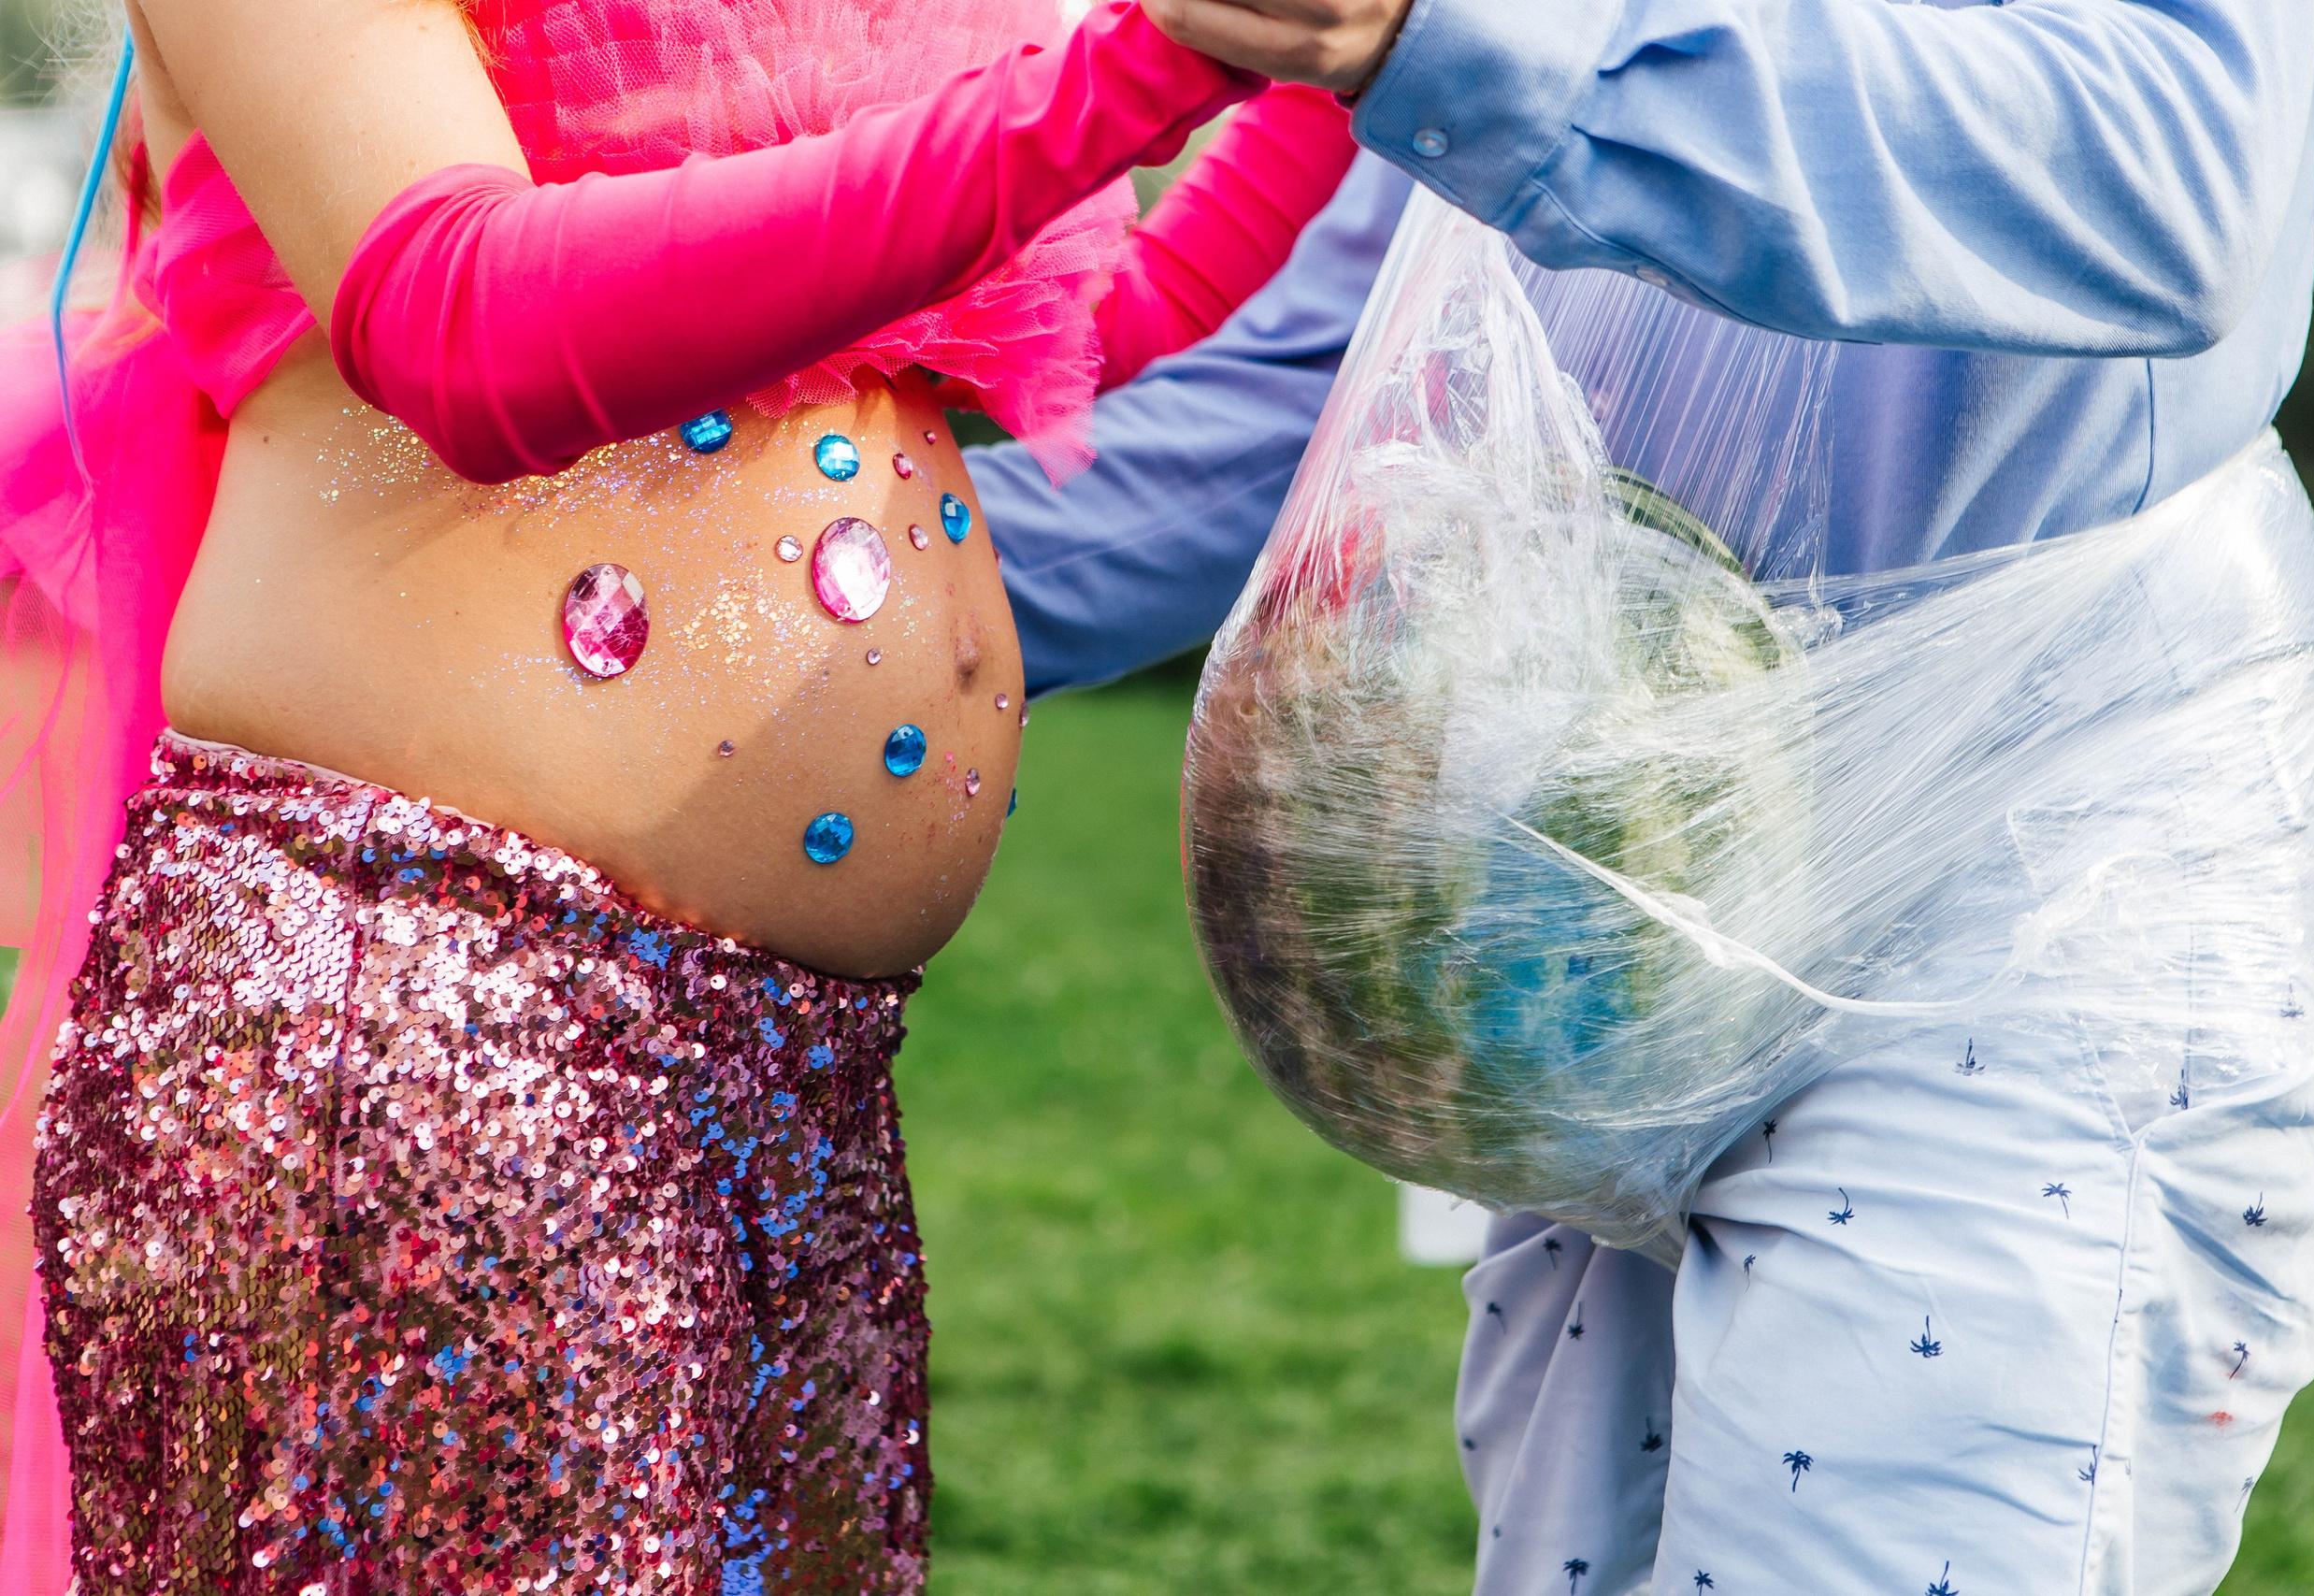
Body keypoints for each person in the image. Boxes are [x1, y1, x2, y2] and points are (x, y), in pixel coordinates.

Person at [970, 1, 2314, 1591]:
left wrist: (1464, 40)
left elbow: (2166, 171)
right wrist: (811, 604)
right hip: (1605, 969)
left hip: (2031, 923)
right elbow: (1335, 380)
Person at [0, 1, 1362, 1589]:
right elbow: (465, 314)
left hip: (791, 1077)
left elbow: (1065, 315)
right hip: (436, 1019)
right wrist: (1144, 71)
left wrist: (1341, 67)